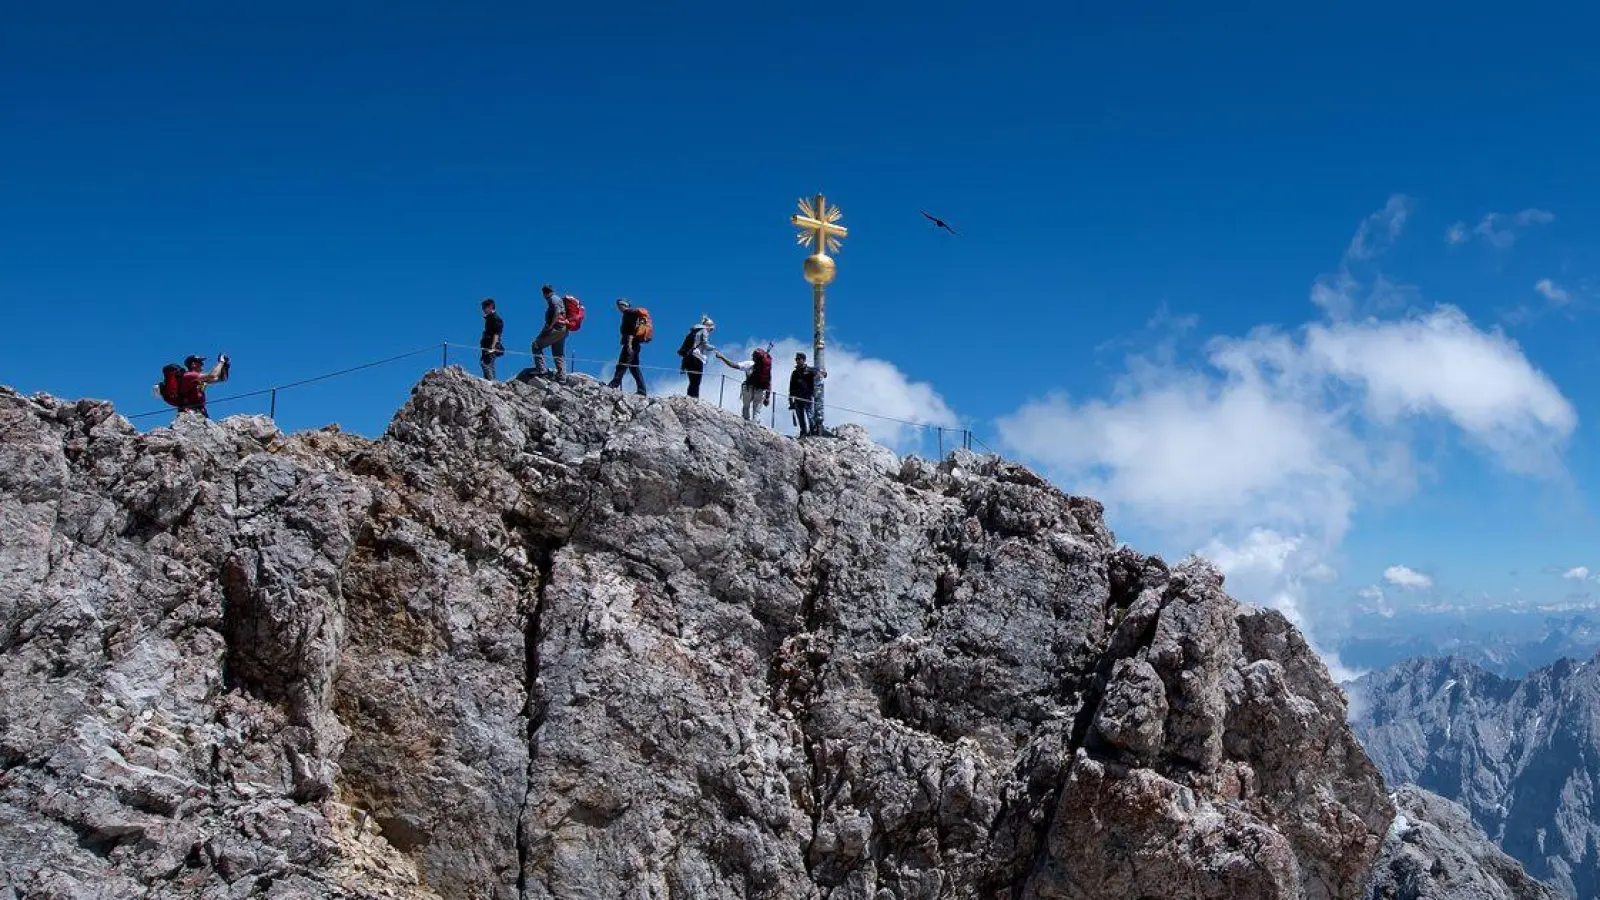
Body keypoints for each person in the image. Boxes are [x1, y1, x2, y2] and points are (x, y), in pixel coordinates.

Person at [161, 353, 230, 418]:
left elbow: (222, 379)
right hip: (190, 411)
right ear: (193, 364)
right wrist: (221, 362)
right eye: (200, 362)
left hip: (198, 410)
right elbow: (212, 375)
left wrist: (225, 367)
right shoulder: (189, 376)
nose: (202, 364)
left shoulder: (197, 379)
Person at [715, 347, 772, 422]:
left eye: (753, 355)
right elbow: (769, 382)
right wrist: (767, 398)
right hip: (760, 390)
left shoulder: (749, 364)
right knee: (756, 412)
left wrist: (722, 357)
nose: (751, 356)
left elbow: (733, 365)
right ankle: (755, 425)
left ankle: (746, 423)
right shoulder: (766, 368)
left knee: (746, 407)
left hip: (748, 388)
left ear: (755, 357)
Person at [606, 299, 650, 395]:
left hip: (631, 344)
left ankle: (614, 385)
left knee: (622, 364)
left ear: (622, 305)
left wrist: (629, 345)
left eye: (619, 306)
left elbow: (630, 331)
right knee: (634, 368)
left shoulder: (628, 314)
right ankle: (642, 390)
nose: (618, 308)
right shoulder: (632, 314)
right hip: (636, 344)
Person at [531, 284, 569, 376]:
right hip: (563, 329)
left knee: (536, 345)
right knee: (558, 353)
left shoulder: (553, 299)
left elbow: (557, 312)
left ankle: (541, 369)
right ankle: (562, 376)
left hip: (556, 328)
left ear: (544, 293)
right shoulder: (557, 298)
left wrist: (551, 326)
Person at [676, 316, 716, 398]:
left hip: (687, 358)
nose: (710, 331)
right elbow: (705, 344)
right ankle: (694, 399)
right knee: (696, 381)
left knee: (692, 381)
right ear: (709, 326)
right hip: (697, 358)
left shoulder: (693, 331)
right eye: (711, 329)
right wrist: (713, 348)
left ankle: (689, 398)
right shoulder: (704, 330)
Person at [788, 352, 818, 436]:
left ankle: (812, 431)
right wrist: (791, 400)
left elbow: (819, 373)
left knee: (810, 416)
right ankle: (803, 432)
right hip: (797, 398)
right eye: (796, 359)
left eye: (799, 359)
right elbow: (791, 387)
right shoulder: (794, 373)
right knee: (800, 417)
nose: (797, 361)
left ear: (803, 360)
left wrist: (823, 373)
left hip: (807, 396)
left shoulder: (810, 370)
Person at [479, 298, 504, 379]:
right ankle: (491, 382)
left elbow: (496, 333)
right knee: (489, 364)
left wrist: (493, 347)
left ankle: (491, 383)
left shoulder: (496, 319)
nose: (483, 310)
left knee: (485, 364)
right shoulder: (491, 318)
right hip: (486, 346)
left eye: (484, 308)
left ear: (490, 307)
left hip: (491, 346)